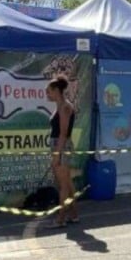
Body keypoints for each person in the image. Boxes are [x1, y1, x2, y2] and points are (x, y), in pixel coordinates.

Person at [45, 75, 79, 228]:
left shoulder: (65, 107)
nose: (47, 94)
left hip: (62, 146)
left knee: (63, 185)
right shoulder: (60, 106)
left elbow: (63, 133)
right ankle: (73, 214)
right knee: (68, 183)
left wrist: (57, 155)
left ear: (57, 91)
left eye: (49, 91)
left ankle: (60, 219)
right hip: (59, 146)